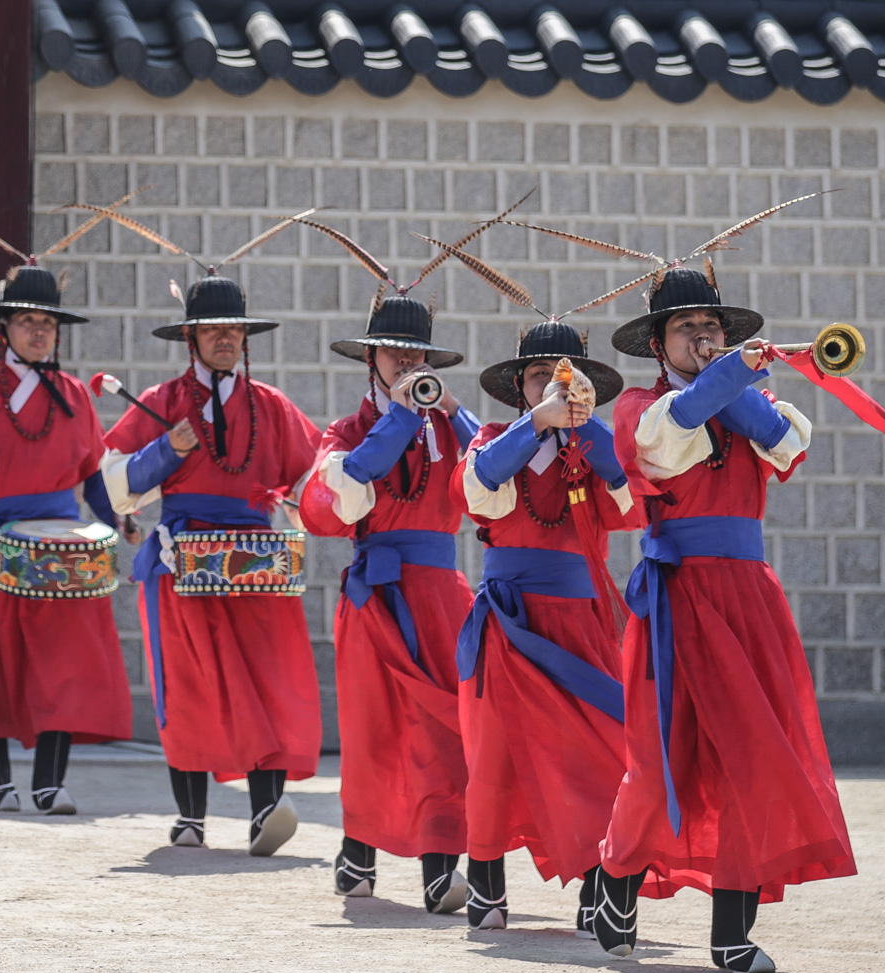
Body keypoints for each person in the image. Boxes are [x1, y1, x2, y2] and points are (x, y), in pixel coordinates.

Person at [594, 265, 855, 973]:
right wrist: (725, 378)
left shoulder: (751, 399)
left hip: (748, 597)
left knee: (755, 756)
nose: (703, 337)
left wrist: (737, 381)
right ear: (658, 345)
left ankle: (731, 934)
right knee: (660, 760)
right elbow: (669, 434)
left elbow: (786, 442)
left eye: (712, 327)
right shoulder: (639, 410)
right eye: (687, 328)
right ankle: (616, 875)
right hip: (676, 598)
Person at [97, 271, 320, 853]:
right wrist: (165, 450)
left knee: (269, 682)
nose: (225, 338)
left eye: (234, 330)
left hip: (256, 565)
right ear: (189, 337)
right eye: (212, 329)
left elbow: (313, 479)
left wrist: (298, 505)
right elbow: (115, 487)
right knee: (190, 686)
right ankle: (190, 816)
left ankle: (265, 807)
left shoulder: (272, 406)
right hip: (182, 561)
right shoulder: (162, 403)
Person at [0, 263, 134, 814]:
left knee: (62, 668)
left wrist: (116, 521)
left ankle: (49, 783)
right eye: (26, 321)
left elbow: (93, 474)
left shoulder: (74, 394)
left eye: (47, 322)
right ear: (5, 330)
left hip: (66, 543)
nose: (38, 331)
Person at [298, 293, 482, 912]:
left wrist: (451, 411)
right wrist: (403, 416)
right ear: (370, 358)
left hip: (440, 593)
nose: (406, 360)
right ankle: (358, 849)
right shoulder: (345, 432)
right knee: (370, 730)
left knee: (445, 731)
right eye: (393, 350)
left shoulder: (448, 426)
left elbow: (493, 471)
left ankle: (439, 865)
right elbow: (341, 495)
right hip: (375, 593)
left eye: (415, 351)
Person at [452, 321, 638, 930]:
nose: (556, 388)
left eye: (568, 378)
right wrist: (540, 420)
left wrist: (585, 420)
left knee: (595, 753)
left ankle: (595, 888)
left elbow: (632, 497)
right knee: (495, 755)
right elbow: (477, 489)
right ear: (520, 387)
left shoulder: (594, 449)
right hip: (511, 620)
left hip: (581, 621)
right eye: (542, 377)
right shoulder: (491, 439)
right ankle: (485, 883)